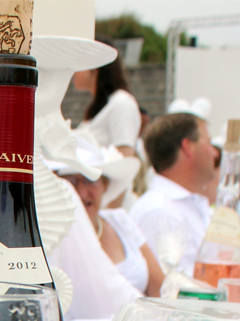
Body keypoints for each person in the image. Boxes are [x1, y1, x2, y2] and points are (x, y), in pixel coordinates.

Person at [58, 144, 164, 297]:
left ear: (105, 185)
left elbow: (158, 288)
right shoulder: (58, 237)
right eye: (71, 182)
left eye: (90, 180)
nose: (81, 193)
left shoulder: (120, 221)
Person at [129, 113, 217, 276]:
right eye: (209, 143)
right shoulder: (157, 212)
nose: (215, 153)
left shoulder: (183, 205)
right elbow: (170, 290)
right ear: (188, 147)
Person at [72, 37, 141, 158]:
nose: (73, 71)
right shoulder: (101, 106)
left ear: (94, 65)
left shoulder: (121, 103)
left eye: (78, 63)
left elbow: (124, 157)